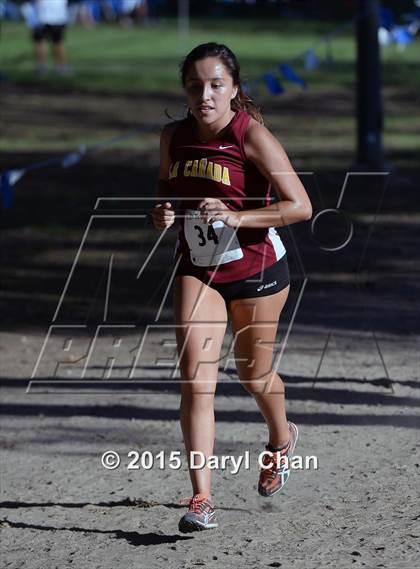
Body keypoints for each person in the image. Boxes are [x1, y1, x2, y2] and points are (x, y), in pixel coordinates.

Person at [151, 42, 312, 533]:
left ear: (234, 88)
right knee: (197, 382)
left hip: (257, 271)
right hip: (198, 269)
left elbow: (300, 206)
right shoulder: (173, 137)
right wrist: (159, 211)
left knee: (253, 375)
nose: (205, 94)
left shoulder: (251, 136)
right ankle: (202, 498)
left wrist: (238, 216)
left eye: (216, 84)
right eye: (196, 85)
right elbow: (165, 187)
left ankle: (281, 440)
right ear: (186, 90)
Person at [32, 0, 70, 75]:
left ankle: (42, 67)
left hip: (43, 16)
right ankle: (61, 67)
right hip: (57, 16)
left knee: (42, 42)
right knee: (57, 42)